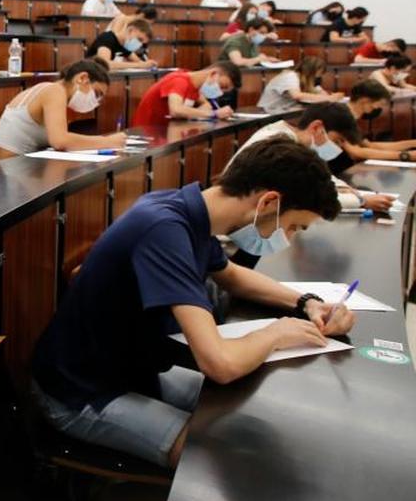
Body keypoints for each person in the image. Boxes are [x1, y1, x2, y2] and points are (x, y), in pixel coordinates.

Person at [30, 138, 351, 468]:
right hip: (81, 393)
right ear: (269, 202)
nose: (291, 236)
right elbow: (220, 364)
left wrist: (308, 302)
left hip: (136, 371)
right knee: (227, 459)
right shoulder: (164, 229)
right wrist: (275, 334)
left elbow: (232, 275)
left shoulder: (189, 213)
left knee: (251, 409)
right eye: (295, 226)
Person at [230, 103, 393, 214]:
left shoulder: (292, 138)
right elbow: (305, 198)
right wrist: (361, 201)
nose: (337, 148)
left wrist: (351, 191)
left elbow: (324, 177)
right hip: (242, 218)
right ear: (316, 127)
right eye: (336, 141)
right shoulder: (280, 145)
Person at [0, 60, 127, 159]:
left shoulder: (51, 90)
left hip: (19, 168)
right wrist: (108, 142)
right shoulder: (55, 90)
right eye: (97, 94)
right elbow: (60, 140)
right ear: (82, 78)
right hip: (8, 173)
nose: (96, 102)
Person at [131, 62, 241, 127]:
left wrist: (196, 115)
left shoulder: (195, 86)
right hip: (148, 131)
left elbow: (206, 105)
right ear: (213, 74)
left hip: (167, 130)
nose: (220, 92)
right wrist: (214, 114)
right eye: (222, 86)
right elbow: (176, 110)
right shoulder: (180, 81)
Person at [344, 80, 416, 160]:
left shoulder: (350, 116)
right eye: (380, 104)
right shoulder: (342, 115)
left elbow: (369, 145)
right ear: (365, 100)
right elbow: (356, 153)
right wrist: (407, 155)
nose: (379, 108)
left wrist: (412, 143)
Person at [257, 57, 341, 113]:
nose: (318, 77)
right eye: (317, 74)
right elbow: (297, 96)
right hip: (269, 111)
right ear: (310, 71)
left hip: (284, 110)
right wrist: (328, 98)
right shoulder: (290, 76)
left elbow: (317, 92)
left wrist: (329, 97)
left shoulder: (305, 80)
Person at [86, 16, 154, 68]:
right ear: (130, 30)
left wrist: (148, 64)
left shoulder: (124, 46)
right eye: (139, 39)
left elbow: (140, 62)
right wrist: (138, 65)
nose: (139, 45)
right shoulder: (107, 38)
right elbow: (105, 64)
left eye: (142, 43)